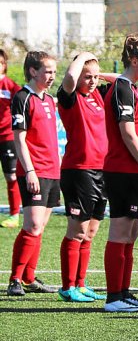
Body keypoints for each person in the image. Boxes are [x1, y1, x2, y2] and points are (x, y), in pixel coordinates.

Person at [102, 34, 138, 312]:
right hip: (122, 170)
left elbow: (120, 75)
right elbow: (128, 134)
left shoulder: (129, 86)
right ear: (134, 60)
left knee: (132, 232)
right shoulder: (123, 89)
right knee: (120, 231)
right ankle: (114, 298)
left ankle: (124, 293)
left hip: (132, 171)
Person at [57, 52, 108, 302]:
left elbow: (126, 79)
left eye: (96, 77)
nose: (93, 81)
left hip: (102, 171)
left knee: (90, 232)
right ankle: (67, 287)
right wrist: (85, 56)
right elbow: (69, 77)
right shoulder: (70, 98)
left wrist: (97, 70)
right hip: (78, 171)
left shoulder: (97, 94)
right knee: (77, 231)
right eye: (87, 77)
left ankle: (81, 283)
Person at [7, 51, 60, 296]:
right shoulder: (22, 97)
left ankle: (29, 277)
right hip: (33, 170)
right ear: (33, 71)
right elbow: (19, 138)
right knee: (33, 225)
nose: (52, 76)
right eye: (47, 71)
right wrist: (29, 170)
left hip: (52, 170)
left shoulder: (48, 99)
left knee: (40, 227)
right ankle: (15, 279)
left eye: (53, 71)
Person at [0, 49, 22, 228]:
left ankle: (14, 215)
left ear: (4, 65)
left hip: (7, 137)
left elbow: (23, 106)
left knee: (11, 176)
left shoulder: (11, 87)